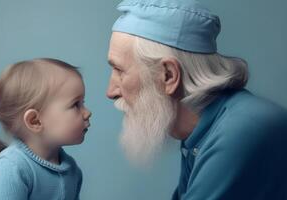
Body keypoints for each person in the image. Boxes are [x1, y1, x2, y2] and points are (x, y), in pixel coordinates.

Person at [106, 0, 287, 199]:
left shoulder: (242, 128)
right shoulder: (200, 134)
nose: (111, 91)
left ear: (168, 75)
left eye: (119, 71)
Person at [0, 58, 91, 200]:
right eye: (75, 105)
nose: (87, 112)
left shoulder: (71, 170)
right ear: (35, 121)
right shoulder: (11, 170)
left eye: (82, 103)